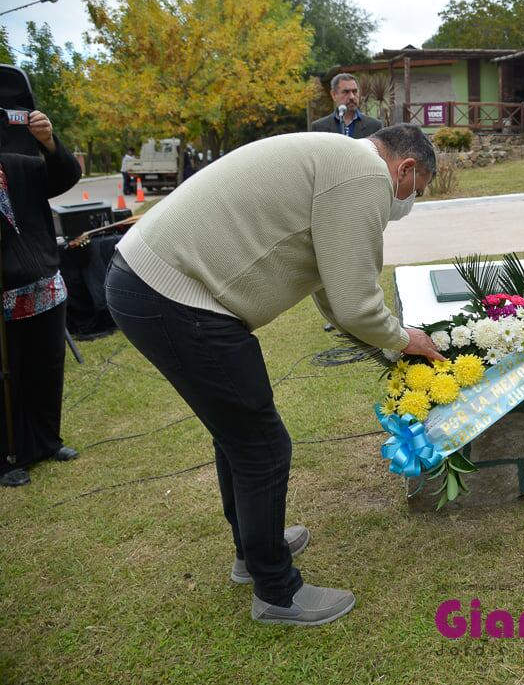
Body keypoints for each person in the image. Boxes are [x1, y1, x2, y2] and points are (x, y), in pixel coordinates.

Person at [104, 124, 443, 625]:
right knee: (262, 446)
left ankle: (252, 546)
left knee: (238, 435)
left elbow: (335, 286)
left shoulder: (339, 160)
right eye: (417, 191)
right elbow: (353, 301)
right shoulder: (365, 174)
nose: (409, 201)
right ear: (406, 168)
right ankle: (277, 591)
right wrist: (401, 338)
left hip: (151, 283)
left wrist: (386, 337)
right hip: (175, 295)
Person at [0, 110, 83, 487]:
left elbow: (65, 175)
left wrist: (49, 142)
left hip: (44, 288)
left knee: (46, 369)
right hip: (4, 296)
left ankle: (48, 442)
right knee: (7, 376)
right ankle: (8, 455)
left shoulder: (17, 165)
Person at [310, 73, 382, 139]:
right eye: (346, 92)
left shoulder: (374, 126)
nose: (352, 97)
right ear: (334, 95)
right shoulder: (319, 128)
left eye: (354, 91)